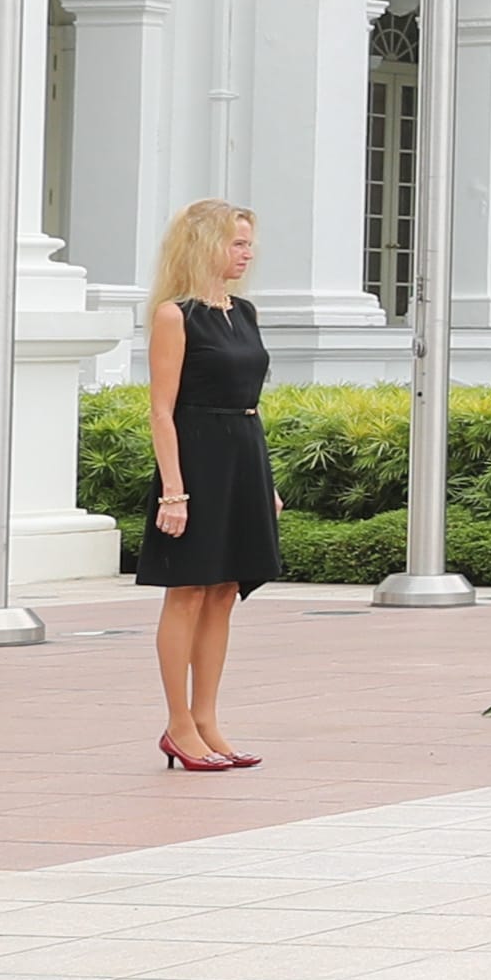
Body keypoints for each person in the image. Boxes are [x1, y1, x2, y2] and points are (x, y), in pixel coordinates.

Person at [131, 198, 278, 772]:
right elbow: (161, 412)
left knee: (224, 593)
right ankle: (178, 725)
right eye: (237, 242)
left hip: (244, 454)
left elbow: (250, 401)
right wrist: (174, 490)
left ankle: (208, 718)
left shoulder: (244, 312)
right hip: (195, 461)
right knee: (188, 591)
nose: (247, 253)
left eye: (248, 243)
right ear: (204, 245)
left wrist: (262, 482)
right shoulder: (175, 315)